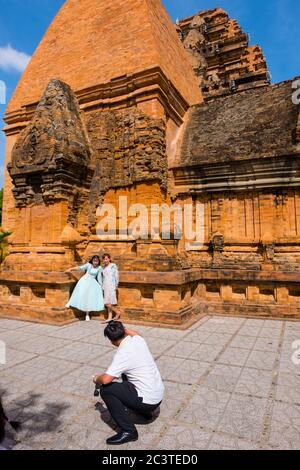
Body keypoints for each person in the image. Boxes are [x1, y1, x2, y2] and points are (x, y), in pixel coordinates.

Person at [92, 321, 164, 445]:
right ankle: (144, 413)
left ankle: (128, 431)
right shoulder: (138, 340)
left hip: (148, 401)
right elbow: (136, 333)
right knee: (125, 374)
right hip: (157, 396)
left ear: (111, 341)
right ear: (124, 332)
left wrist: (96, 378)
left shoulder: (123, 353)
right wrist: (120, 327)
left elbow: (106, 380)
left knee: (106, 390)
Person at [66, 255, 104, 321]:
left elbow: (99, 278)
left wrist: (101, 286)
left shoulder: (99, 268)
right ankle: (70, 303)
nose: (95, 262)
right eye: (94, 261)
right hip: (84, 281)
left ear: (98, 262)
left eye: (97, 261)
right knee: (79, 293)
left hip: (92, 283)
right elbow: (80, 268)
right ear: (92, 261)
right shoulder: (88, 265)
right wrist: (71, 269)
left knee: (88, 298)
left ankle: (87, 314)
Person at [102, 254, 124, 323]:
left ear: (109, 259)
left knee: (107, 303)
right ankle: (109, 317)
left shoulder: (113, 266)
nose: (105, 260)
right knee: (108, 303)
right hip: (105, 286)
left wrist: (116, 284)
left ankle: (117, 312)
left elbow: (116, 275)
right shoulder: (104, 267)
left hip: (111, 285)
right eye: (104, 259)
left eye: (106, 259)